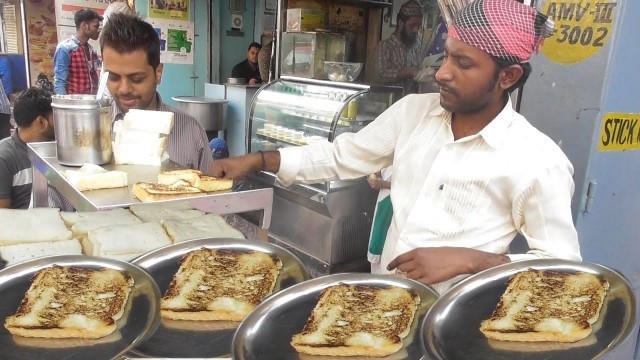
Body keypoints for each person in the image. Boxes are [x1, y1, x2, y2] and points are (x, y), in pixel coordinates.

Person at [210, 0, 581, 294]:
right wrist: (258, 159)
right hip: (388, 294)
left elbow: (559, 271)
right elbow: (344, 155)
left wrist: (473, 261)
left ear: (508, 76)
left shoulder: (538, 160)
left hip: (458, 323)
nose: (442, 72)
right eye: (447, 55)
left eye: (463, 63)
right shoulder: (414, 112)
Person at [48, 13, 212, 210]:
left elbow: (209, 204)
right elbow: (57, 207)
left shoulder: (190, 131)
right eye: (114, 77)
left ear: (158, 72)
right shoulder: (84, 134)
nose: (124, 89)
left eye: (136, 79)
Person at [0, 88, 53, 209]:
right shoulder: (4, 157)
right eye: (55, 116)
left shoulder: (58, 147)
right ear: (41, 122)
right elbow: (2, 217)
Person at [375, 0, 426, 94]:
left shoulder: (415, 47)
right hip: (391, 103)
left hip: (410, 102)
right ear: (401, 23)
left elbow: (417, 74)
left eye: (418, 26)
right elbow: (380, 76)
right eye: (412, 25)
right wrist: (408, 71)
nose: (416, 30)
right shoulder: (385, 46)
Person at [53, 9, 103, 95]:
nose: (98, 30)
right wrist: (65, 106)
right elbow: (60, 82)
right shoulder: (66, 49)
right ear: (84, 25)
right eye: (95, 26)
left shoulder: (92, 50)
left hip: (91, 104)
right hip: (73, 105)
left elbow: (95, 78)